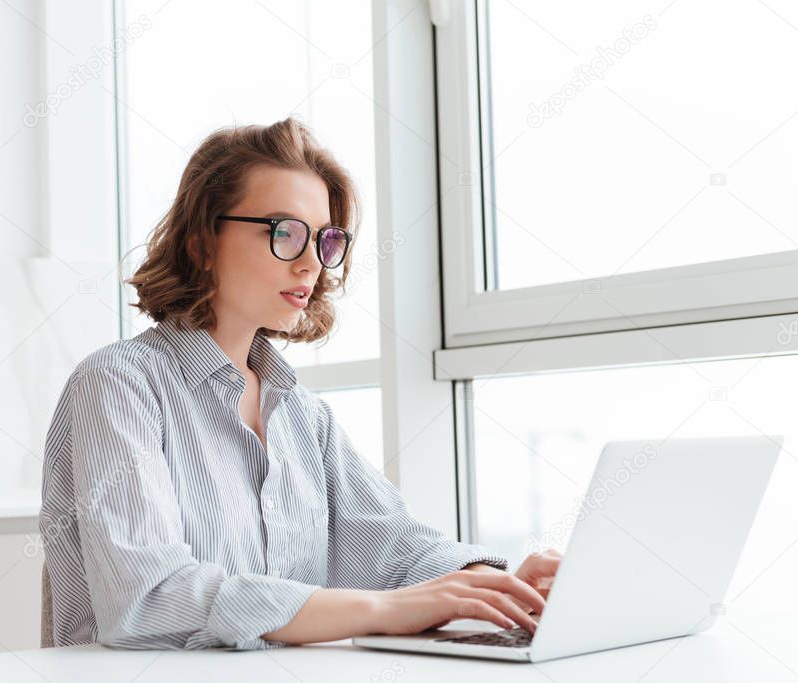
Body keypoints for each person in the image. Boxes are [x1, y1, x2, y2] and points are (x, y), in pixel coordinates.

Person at [39, 117, 561, 650]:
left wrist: (500, 584)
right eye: (284, 233)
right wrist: (381, 609)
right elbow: (152, 600)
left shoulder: (303, 416)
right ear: (201, 244)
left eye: (325, 240)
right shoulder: (117, 385)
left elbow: (394, 549)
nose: (313, 263)